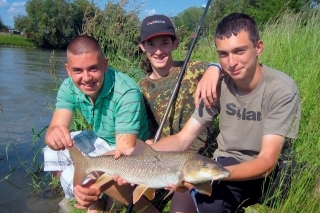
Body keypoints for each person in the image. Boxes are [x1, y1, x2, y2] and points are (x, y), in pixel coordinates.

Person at [115, 13, 301, 213]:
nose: (232, 62)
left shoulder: (281, 89)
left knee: (307, 189)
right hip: (227, 161)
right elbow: (183, 138)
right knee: (190, 205)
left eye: (240, 51)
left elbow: (267, 161)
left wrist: (217, 173)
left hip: (270, 170)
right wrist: (137, 157)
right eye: (223, 55)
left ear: (258, 47)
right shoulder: (217, 85)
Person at [43, 35, 158, 213]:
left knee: (79, 173)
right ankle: (94, 202)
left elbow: (123, 154)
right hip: (101, 139)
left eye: (93, 69)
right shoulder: (68, 86)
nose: (86, 78)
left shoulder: (126, 92)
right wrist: (53, 136)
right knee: (51, 151)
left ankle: (144, 208)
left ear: (105, 64)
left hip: (131, 151)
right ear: (68, 70)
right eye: (78, 71)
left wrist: (91, 177)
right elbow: (57, 126)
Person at [137, 14, 221, 212]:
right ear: (143, 46)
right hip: (164, 158)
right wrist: (150, 143)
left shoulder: (193, 69)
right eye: (151, 44)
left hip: (198, 156)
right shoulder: (141, 87)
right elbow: (148, 128)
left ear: (174, 44)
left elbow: (231, 66)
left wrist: (214, 68)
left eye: (165, 43)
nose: (158, 51)